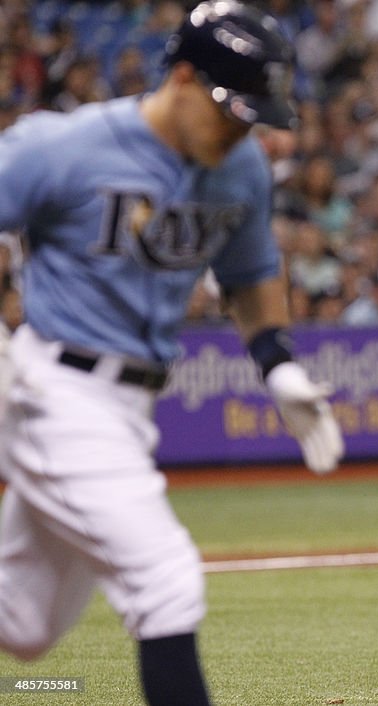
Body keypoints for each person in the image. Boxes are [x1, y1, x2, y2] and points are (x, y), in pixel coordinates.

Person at [0, 4, 343, 705]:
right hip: (53, 388)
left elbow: (251, 276)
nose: (242, 128)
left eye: (254, 115)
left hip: (130, 406)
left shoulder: (238, 166)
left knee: (24, 624)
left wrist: (276, 363)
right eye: (231, 109)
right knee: (166, 580)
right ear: (182, 77)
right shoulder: (66, 146)